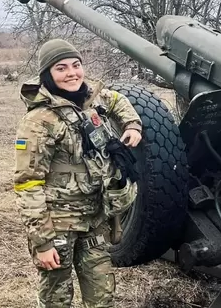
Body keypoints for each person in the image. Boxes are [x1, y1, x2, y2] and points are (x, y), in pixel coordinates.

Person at [13, 38, 142, 308]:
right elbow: (28, 184)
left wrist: (132, 125)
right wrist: (43, 242)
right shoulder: (39, 121)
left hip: (95, 218)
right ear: (48, 74)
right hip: (58, 224)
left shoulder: (90, 98)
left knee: (102, 296)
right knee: (57, 299)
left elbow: (118, 100)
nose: (72, 73)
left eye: (76, 65)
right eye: (61, 68)